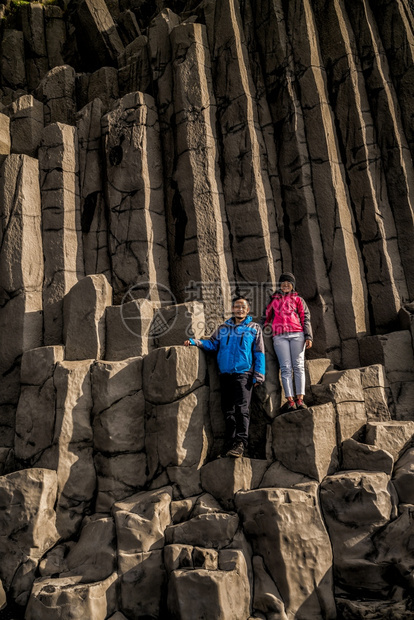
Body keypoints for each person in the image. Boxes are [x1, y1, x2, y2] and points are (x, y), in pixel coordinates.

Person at [184, 296, 265, 458]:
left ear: (247, 310)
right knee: (228, 411)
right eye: (237, 306)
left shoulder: (254, 328)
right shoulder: (223, 328)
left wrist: (259, 375)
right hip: (225, 374)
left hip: (244, 374)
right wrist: (196, 342)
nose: (240, 309)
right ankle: (230, 444)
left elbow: (259, 352)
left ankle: (241, 444)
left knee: (242, 410)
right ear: (233, 309)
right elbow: (212, 344)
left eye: (243, 307)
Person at [263, 272, 313, 411]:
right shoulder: (273, 300)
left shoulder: (298, 300)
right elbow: (266, 317)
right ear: (280, 285)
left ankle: (300, 399)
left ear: (293, 285)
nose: (285, 285)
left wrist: (308, 336)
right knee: (285, 368)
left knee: (298, 366)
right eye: (283, 282)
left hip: (297, 335)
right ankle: (290, 400)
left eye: (288, 283)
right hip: (279, 336)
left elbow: (305, 318)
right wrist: (260, 329)